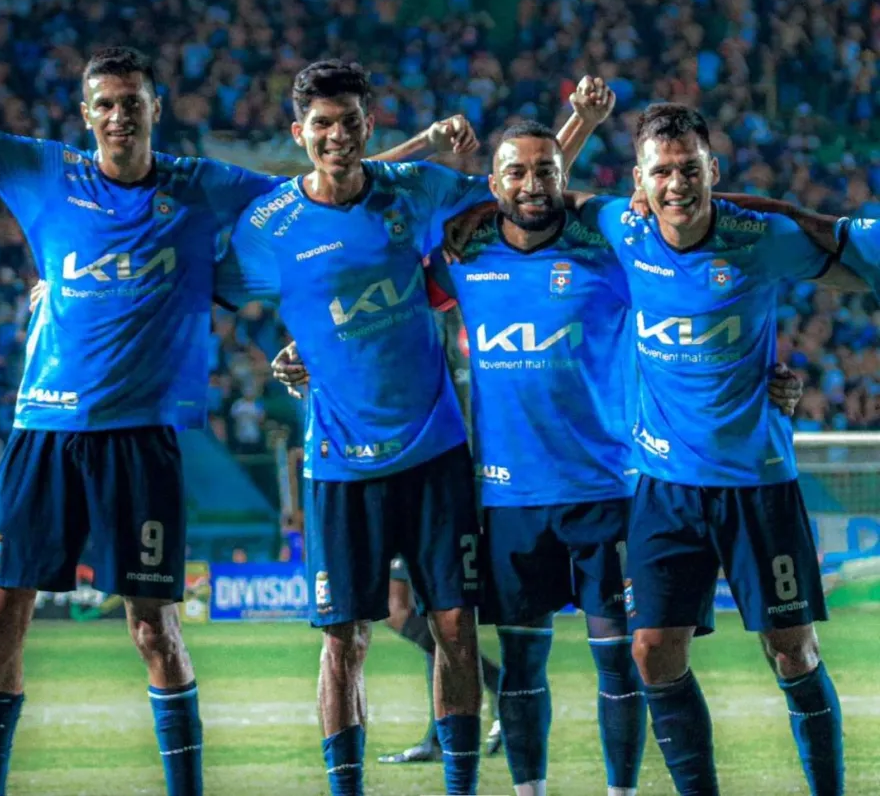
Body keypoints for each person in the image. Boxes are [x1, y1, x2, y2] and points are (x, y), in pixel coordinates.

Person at [0, 23, 460, 796]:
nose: (120, 115)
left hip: (143, 435)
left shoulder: (203, 186)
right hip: (43, 431)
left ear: (155, 108)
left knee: (154, 630)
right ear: (85, 114)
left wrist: (420, 147)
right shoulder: (41, 173)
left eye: (133, 102)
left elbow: (323, 200)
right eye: (105, 104)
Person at [271, 80, 806, 796]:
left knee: (620, 662)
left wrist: (768, 370)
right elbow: (377, 296)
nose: (531, 184)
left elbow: (696, 287)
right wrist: (311, 346)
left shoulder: (609, 252)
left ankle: (621, 791)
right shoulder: (464, 258)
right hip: (509, 497)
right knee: (522, 665)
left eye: (545, 171)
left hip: (610, 489)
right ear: (491, 187)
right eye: (514, 174)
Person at [213, 59, 501, 796]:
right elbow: (195, 279)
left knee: (455, 627)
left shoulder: (417, 190)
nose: (336, 136)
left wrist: (577, 133)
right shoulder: (270, 224)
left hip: (435, 450)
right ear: (297, 133)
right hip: (341, 466)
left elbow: (517, 199)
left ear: (369, 126)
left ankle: (462, 785)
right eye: (322, 124)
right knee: (344, 640)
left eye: (349, 122)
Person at [557, 101, 851, 795]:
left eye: (690, 168)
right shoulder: (622, 229)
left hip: (757, 480)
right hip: (663, 487)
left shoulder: (760, 239)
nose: (677, 183)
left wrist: (790, 378)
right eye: (661, 171)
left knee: (792, 651)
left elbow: (842, 261)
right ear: (640, 179)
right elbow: (541, 188)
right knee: (652, 652)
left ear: (713, 169)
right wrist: (579, 123)